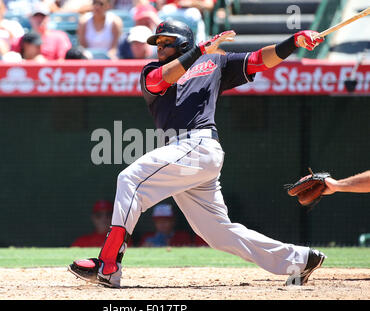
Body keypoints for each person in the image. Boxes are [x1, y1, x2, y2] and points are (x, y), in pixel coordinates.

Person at [69, 20, 326, 288]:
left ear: (183, 42)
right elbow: (162, 80)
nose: (160, 47)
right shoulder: (152, 70)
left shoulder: (215, 63)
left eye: (166, 42)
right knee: (217, 233)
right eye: (157, 43)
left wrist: (294, 42)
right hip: (182, 152)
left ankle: (108, 265)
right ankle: (299, 260)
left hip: (198, 145)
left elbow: (260, 60)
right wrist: (200, 51)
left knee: (129, 179)